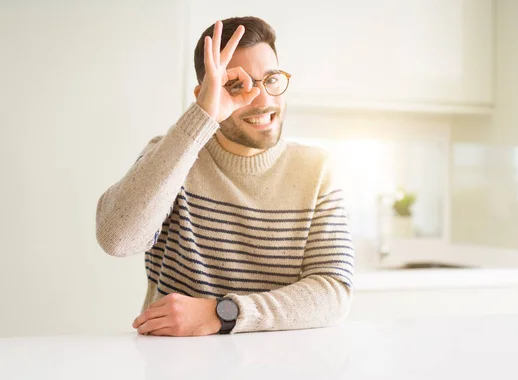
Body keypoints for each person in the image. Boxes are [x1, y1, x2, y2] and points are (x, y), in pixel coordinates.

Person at [96, 16, 354, 336]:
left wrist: (223, 313)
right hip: (174, 373)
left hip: (280, 372)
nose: (263, 100)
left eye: (271, 79)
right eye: (236, 85)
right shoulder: (174, 155)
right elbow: (116, 239)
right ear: (204, 94)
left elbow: (334, 292)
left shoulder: (316, 169)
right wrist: (202, 119)